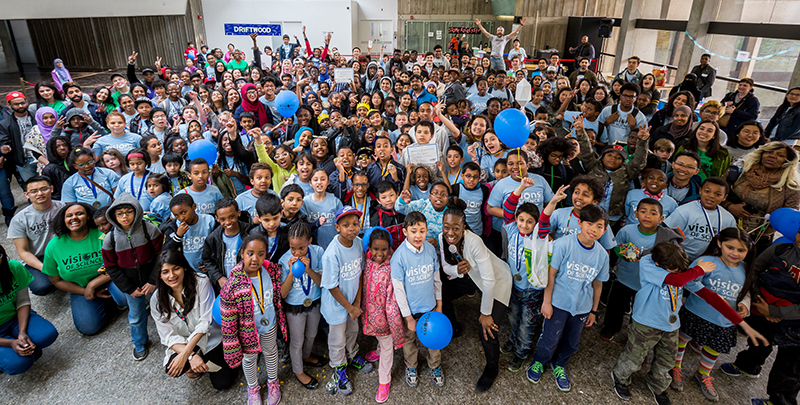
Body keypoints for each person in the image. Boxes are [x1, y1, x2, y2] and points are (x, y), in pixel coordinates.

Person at [610, 241, 767, 404]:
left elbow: (711, 297)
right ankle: (621, 377)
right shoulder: (648, 264)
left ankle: (658, 385)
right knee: (635, 356)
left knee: (667, 360)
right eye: (675, 270)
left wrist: (742, 323)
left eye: (681, 270)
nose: (678, 272)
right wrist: (699, 270)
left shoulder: (681, 272)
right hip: (646, 323)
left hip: (670, 326)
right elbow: (676, 280)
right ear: (659, 264)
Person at [526, 204, 609, 391]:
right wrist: (546, 302)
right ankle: (539, 361)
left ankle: (560, 365)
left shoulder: (602, 255)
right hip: (558, 303)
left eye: (600, 226)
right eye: (590, 224)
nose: (594, 230)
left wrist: (594, 310)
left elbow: (598, 284)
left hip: (582, 307)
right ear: (580, 223)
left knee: (572, 341)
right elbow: (551, 274)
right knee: (550, 339)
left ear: (604, 230)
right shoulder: (563, 244)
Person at [720, 227, 800, 405]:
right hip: (762, 306)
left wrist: (775, 312)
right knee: (758, 341)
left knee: (789, 367)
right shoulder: (780, 249)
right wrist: (757, 299)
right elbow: (753, 272)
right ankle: (748, 367)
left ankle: (780, 401)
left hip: (795, 324)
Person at [439, 199, 512, 391]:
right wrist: (458, 270)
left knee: (486, 329)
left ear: (464, 227)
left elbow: (489, 280)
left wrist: (486, 313)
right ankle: (454, 327)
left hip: (498, 281)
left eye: (456, 228)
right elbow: (446, 267)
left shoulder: (474, 241)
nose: (450, 233)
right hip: (472, 275)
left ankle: (492, 367)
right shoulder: (442, 237)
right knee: (443, 291)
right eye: (446, 227)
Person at [151, 250, 237, 389]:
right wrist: (191, 356)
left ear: (184, 267)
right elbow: (167, 335)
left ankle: (204, 360)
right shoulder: (157, 299)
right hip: (185, 342)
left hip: (209, 338)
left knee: (222, 384)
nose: (171, 275)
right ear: (160, 276)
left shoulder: (201, 282)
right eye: (165, 272)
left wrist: (185, 355)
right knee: (171, 368)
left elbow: (205, 322)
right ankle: (197, 361)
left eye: (176, 269)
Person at [219, 234, 287, 405]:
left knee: (271, 352)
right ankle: (253, 387)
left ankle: (273, 382)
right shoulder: (233, 284)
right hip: (247, 331)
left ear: (266, 255)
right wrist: (232, 343)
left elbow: (276, 298)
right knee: (249, 359)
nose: (255, 258)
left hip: (269, 325)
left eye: (260, 253)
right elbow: (228, 320)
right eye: (250, 253)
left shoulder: (271, 272)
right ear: (242, 253)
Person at [42, 201, 127, 334]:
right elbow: (56, 280)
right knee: (89, 328)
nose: (74, 218)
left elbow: (120, 263)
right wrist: (85, 291)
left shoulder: (103, 233)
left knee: (125, 297)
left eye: (79, 214)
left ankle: (112, 299)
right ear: (63, 220)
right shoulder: (54, 246)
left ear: (88, 216)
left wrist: (92, 285)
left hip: (110, 277)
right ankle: (105, 302)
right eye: (69, 216)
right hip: (79, 287)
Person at [102, 194, 164, 360]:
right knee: (136, 316)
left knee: (163, 308)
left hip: (153, 281)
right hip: (132, 286)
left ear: (137, 212)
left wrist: (153, 280)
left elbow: (162, 255)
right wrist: (128, 289)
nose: (124, 216)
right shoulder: (111, 238)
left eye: (129, 211)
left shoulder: (149, 229)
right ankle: (139, 342)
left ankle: (171, 338)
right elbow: (111, 267)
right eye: (120, 213)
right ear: (113, 216)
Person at [321, 206, 373, 396]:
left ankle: (352, 355)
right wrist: (349, 307)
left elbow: (359, 274)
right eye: (346, 225)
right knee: (337, 339)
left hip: (352, 303)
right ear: (337, 227)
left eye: (355, 224)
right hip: (337, 306)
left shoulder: (359, 243)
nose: (351, 228)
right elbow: (332, 286)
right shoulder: (332, 254)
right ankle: (339, 369)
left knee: (353, 331)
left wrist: (357, 303)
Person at [500, 178, 550, 372]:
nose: (524, 224)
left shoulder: (539, 237)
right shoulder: (512, 230)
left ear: (536, 224)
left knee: (527, 325)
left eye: (530, 221)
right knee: (513, 318)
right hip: (513, 287)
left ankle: (521, 352)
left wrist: (552, 203)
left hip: (532, 291)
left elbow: (545, 218)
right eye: (521, 219)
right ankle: (513, 341)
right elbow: (508, 208)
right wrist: (521, 187)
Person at [391, 211, 445, 389]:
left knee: (434, 339)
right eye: (413, 231)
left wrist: (439, 305)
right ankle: (411, 367)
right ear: (405, 231)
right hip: (411, 311)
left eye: (422, 231)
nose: (418, 235)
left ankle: (435, 365)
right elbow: (399, 291)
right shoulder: (399, 257)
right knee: (409, 339)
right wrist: (408, 318)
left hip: (430, 307)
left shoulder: (430, 250)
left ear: (427, 230)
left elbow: (437, 280)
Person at [723, 141, 800, 252]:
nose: (772, 156)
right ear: (761, 153)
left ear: (787, 161)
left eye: (780, 155)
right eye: (769, 152)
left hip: (759, 238)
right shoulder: (740, 170)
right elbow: (717, 193)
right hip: (725, 227)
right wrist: (730, 206)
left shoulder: (791, 186)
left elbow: (788, 218)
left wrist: (765, 227)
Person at [278, 221, 325, 390]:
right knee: (297, 340)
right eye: (293, 248)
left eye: (301, 248)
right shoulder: (284, 260)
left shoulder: (318, 252)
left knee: (312, 335)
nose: (297, 253)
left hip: (314, 302)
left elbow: (322, 283)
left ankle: (306, 357)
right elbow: (283, 293)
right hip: (294, 307)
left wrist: (309, 270)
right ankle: (298, 371)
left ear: (309, 241)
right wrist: (291, 272)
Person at [0, 244, 59, 375]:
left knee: (46, 334)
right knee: (18, 364)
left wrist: (22, 332)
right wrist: (10, 343)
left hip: (14, 318)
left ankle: (23, 343)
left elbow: (22, 301)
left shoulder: (13, 267)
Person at [9, 176, 64, 296]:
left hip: (62, 252)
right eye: (33, 191)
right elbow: (23, 252)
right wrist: (44, 267)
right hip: (39, 258)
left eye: (44, 189)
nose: (40, 193)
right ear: (26, 195)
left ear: (51, 189)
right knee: (41, 287)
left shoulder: (63, 208)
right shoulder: (19, 219)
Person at [664, 177, 736, 261]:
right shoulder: (684, 211)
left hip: (713, 261)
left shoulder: (729, 218)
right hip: (682, 259)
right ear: (700, 191)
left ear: (724, 197)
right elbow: (668, 234)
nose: (711, 196)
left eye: (718, 194)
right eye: (707, 191)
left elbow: (730, 242)